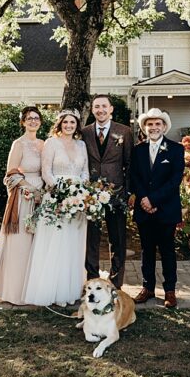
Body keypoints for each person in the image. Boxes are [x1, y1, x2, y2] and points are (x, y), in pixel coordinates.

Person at [22, 108, 89, 309]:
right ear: (59, 124)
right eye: (66, 122)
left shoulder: (82, 144)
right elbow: (46, 171)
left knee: (72, 245)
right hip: (56, 199)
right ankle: (53, 290)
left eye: (73, 123)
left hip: (78, 200)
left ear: (77, 125)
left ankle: (70, 290)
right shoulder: (51, 143)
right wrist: (61, 192)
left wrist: (80, 191)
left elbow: (85, 171)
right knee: (56, 244)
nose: (69, 126)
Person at [0, 106, 45, 304]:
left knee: (37, 244)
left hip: (42, 198)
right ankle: (16, 292)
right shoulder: (18, 144)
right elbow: (11, 173)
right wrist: (30, 189)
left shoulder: (43, 144)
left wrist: (43, 192)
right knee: (21, 243)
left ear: (40, 121)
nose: (33, 121)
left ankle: (35, 288)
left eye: (36, 118)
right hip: (23, 197)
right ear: (23, 122)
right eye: (29, 118)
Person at [129, 110, 184, 310]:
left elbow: (174, 181)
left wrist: (153, 200)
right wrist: (144, 199)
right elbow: (134, 176)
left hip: (166, 209)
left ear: (164, 126)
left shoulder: (176, 149)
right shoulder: (138, 150)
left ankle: (170, 290)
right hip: (144, 209)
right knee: (147, 251)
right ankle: (147, 288)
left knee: (168, 251)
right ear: (145, 127)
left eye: (157, 124)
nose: (153, 127)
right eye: (150, 124)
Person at [81, 94, 132, 290]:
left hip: (117, 194)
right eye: (96, 107)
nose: (100, 110)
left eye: (104, 106)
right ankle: (92, 280)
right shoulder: (85, 133)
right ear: (92, 110)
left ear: (111, 109)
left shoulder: (125, 132)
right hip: (90, 195)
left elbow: (129, 164)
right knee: (91, 239)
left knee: (117, 239)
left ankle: (115, 283)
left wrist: (127, 193)